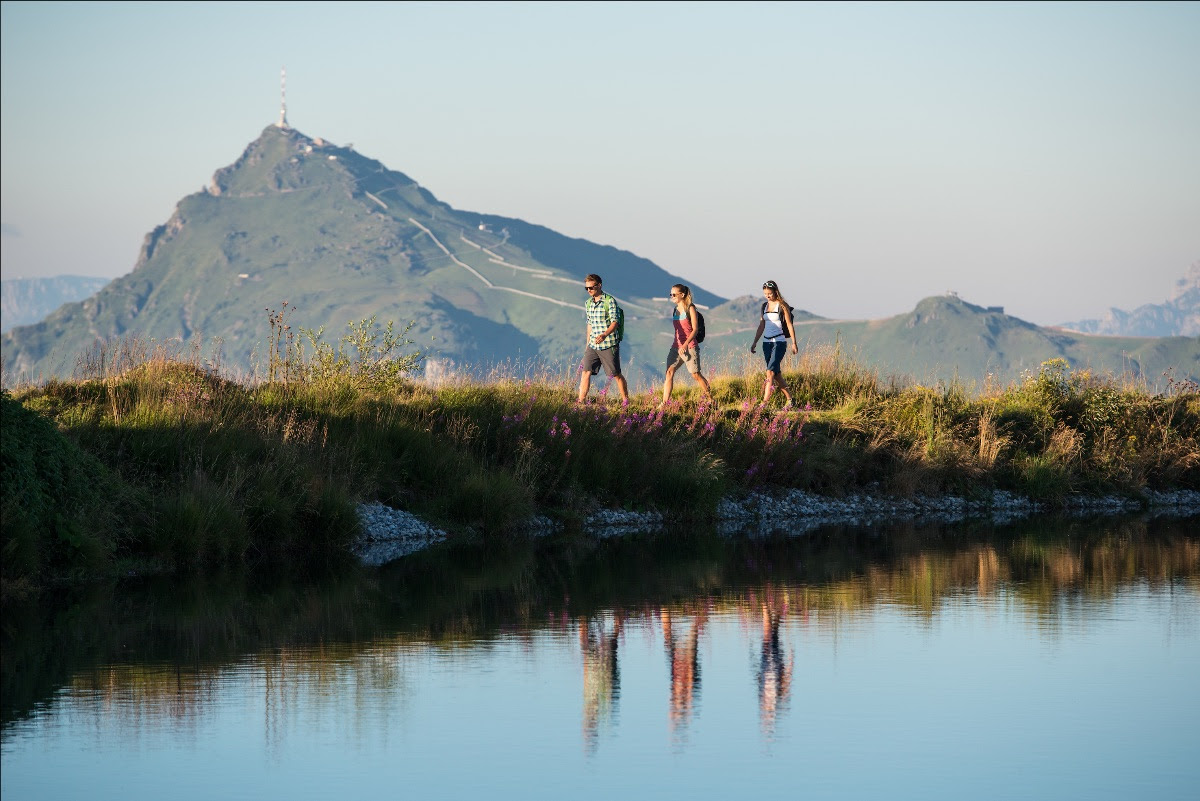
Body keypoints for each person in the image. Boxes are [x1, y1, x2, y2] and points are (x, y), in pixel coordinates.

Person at [578, 273, 630, 404]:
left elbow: (615, 322)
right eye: (587, 288)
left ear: (599, 285)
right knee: (586, 371)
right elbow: (589, 324)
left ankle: (625, 401)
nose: (589, 290)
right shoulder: (588, 303)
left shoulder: (609, 301)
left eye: (591, 287)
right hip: (593, 345)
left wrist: (604, 335)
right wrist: (587, 344)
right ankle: (580, 402)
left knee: (615, 374)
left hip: (609, 343)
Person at [658, 284, 713, 408]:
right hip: (676, 346)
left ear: (682, 295)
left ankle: (711, 399)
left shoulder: (691, 308)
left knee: (695, 375)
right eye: (670, 294)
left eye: (674, 294)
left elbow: (694, 329)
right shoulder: (675, 310)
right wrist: (678, 345)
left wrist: (685, 344)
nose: (671, 297)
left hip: (690, 346)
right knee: (669, 372)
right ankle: (664, 403)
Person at [749, 279, 797, 408]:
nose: (767, 296)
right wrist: (755, 342)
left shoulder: (782, 305)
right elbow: (761, 325)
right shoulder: (764, 306)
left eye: (769, 293)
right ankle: (790, 400)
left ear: (775, 292)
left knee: (769, 372)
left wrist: (793, 343)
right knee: (776, 374)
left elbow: (789, 324)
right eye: (765, 294)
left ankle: (764, 403)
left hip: (779, 342)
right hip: (767, 343)